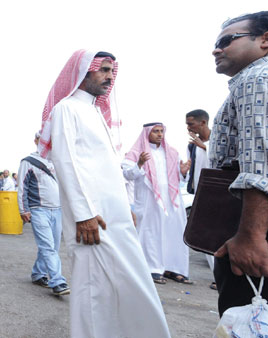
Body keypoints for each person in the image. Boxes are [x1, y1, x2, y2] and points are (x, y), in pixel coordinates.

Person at [38, 50, 170, 337]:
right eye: (104, 70)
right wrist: (83, 214)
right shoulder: (67, 109)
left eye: (112, 71)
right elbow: (67, 163)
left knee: (127, 281)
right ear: (85, 70)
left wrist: (126, 208)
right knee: (92, 286)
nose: (110, 77)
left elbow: (106, 169)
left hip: (114, 214)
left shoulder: (97, 112)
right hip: (90, 217)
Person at [208, 11, 268, 316]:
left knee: (248, 316)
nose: (217, 49)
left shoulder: (257, 78)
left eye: (227, 40)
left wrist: (251, 237)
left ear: (265, 40)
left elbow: (259, 160)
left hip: (250, 231)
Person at [122, 123, 191, 285]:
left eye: (162, 131)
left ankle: (174, 268)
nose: (160, 134)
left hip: (172, 200)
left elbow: (177, 179)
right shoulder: (135, 153)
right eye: (156, 131)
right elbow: (128, 175)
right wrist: (139, 163)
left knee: (174, 232)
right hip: (148, 201)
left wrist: (182, 173)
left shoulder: (172, 153)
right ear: (147, 133)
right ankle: (152, 268)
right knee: (151, 234)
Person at [18, 133, 69, 296]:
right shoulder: (28, 161)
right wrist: (23, 210)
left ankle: (38, 273)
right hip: (38, 209)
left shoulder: (58, 160)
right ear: (36, 141)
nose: (48, 142)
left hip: (58, 210)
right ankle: (57, 281)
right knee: (48, 246)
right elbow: (22, 187)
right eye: (43, 139)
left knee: (52, 246)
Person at [185, 109, 217, 290]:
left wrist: (204, 146)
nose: (188, 128)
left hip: (218, 196)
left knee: (219, 235)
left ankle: (221, 276)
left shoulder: (217, 140)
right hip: (200, 195)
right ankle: (217, 275)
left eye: (191, 124)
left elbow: (222, 160)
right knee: (206, 238)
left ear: (203, 123)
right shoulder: (192, 146)